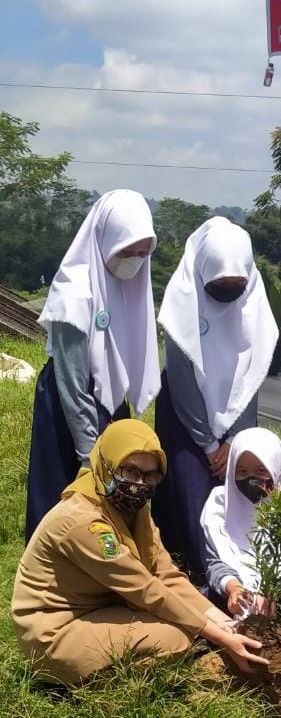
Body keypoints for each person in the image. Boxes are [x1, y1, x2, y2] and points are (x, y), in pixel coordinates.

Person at [12, 420, 268, 686]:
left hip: (99, 608)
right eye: (130, 471)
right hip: (53, 631)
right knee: (177, 637)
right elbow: (145, 589)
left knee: (184, 624)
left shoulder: (132, 508)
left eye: (150, 475)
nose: (139, 484)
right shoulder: (83, 521)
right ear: (107, 462)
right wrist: (219, 636)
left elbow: (166, 575)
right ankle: (92, 685)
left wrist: (224, 623)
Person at [26, 190, 160, 541]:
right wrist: (90, 452)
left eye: (142, 253)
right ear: (104, 241)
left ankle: (106, 566)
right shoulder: (74, 293)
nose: (134, 262)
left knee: (111, 503)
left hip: (109, 403)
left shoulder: (124, 287)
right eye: (126, 252)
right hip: (69, 406)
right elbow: (72, 383)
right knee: (66, 493)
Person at [154, 217, 278, 579]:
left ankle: (243, 568)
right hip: (184, 419)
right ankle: (199, 576)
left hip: (238, 425)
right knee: (190, 497)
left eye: (237, 285)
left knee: (240, 497)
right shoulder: (182, 304)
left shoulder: (255, 306)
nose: (229, 291)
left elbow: (252, 377)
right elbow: (181, 380)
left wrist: (235, 440)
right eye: (220, 285)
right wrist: (210, 445)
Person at [201, 427, 281, 616]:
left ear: (276, 468)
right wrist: (234, 589)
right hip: (228, 598)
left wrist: (275, 597)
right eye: (242, 471)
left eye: (261, 470)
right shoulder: (220, 504)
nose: (252, 479)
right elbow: (213, 562)